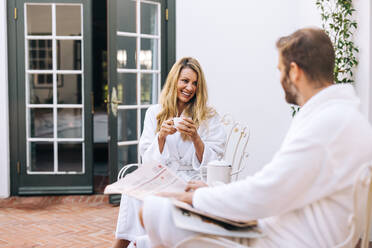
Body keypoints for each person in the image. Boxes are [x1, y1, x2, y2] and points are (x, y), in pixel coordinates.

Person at [139, 28, 372, 247]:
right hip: (281, 226)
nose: (280, 79)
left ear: (294, 71)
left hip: (279, 240)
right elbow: (277, 185)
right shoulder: (342, 117)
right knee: (158, 210)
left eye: (280, 70)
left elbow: (266, 193)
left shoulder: (327, 124)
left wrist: (199, 197)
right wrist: (211, 192)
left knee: (154, 210)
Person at [112, 57, 226, 248]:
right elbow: (146, 158)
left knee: (151, 197)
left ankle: (141, 244)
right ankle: (125, 243)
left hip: (192, 179)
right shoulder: (155, 112)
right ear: (174, 81)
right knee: (131, 193)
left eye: (195, 83)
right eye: (185, 81)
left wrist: (196, 138)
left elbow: (215, 159)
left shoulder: (209, 116)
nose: (189, 87)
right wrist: (161, 137)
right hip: (162, 176)